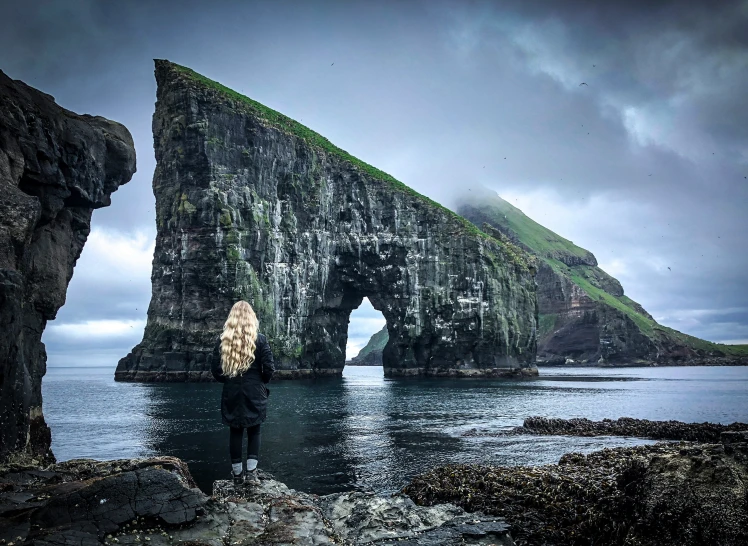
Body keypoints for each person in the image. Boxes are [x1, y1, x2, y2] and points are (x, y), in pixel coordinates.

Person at [211, 300, 275, 485]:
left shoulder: (223, 340)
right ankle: (252, 474)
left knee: (235, 431)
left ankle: (237, 475)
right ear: (251, 318)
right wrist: (261, 382)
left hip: (231, 391)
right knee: (255, 430)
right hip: (255, 390)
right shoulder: (260, 339)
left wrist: (229, 381)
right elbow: (269, 368)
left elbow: (216, 370)